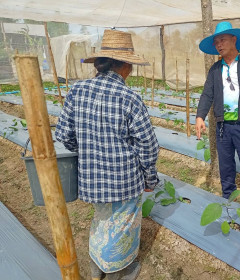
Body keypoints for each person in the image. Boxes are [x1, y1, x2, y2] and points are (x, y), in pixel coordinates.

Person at [55, 29, 160, 280]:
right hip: (124, 181)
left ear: (100, 65)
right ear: (124, 66)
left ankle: (96, 267)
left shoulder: (77, 91)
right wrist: (150, 179)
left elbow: (64, 134)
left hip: (91, 180)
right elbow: (147, 145)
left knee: (102, 220)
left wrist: (88, 151)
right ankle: (118, 272)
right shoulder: (130, 98)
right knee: (122, 225)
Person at [196, 21, 240, 209]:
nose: (219, 44)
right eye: (216, 41)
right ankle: (229, 198)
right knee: (226, 166)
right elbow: (207, 93)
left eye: (223, 40)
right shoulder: (215, 69)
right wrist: (200, 116)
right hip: (223, 126)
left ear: (234, 40)